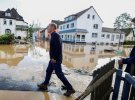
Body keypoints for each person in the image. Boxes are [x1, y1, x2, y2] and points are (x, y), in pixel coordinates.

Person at [38, 23, 75, 96]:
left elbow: (58, 48)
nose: (47, 28)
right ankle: (45, 85)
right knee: (48, 71)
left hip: (55, 59)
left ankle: (70, 88)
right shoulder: (53, 35)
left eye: (48, 27)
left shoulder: (56, 35)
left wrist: (54, 58)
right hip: (53, 59)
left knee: (59, 74)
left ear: (52, 27)